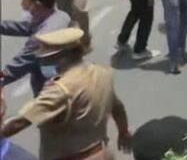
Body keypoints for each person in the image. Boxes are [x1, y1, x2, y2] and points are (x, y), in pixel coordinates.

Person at [1, 28, 133, 159]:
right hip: (102, 153)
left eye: (47, 58)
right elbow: (117, 107)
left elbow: (19, 122)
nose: (43, 62)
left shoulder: (60, 90)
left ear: (63, 57)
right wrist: (124, 131)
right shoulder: (102, 73)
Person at [1, 0, 71, 96]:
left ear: (37, 4)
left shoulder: (42, 37)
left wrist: (2, 79)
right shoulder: (60, 15)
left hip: (52, 83)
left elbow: (18, 66)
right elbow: (25, 27)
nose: (21, 3)